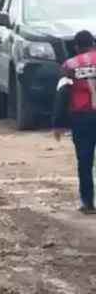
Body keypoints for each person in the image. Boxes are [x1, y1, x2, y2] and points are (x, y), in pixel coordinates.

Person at [52, 29, 96, 215]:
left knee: (85, 161)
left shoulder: (69, 66)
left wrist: (58, 123)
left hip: (82, 116)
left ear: (76, 47)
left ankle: (87, 202)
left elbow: (62, 94)